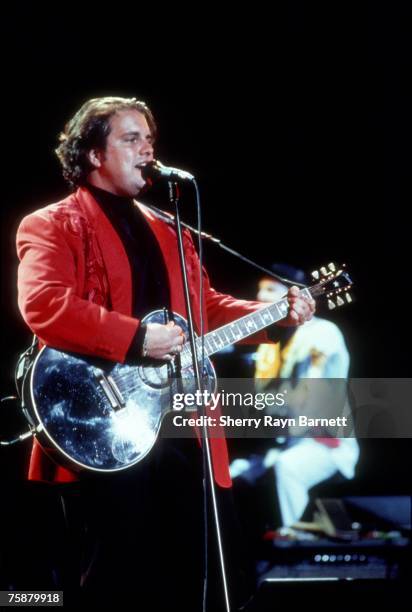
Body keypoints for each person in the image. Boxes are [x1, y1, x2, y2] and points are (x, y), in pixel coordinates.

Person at [15, 98, 315, 610]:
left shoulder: (167, 226)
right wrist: (135, 338)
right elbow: (44, 305)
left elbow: (206, 308)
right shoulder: (52, 223)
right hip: (104, 431)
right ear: (92, 154)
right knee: (120, 578)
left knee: (203, 575)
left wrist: (277, 313)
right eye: (131, 139)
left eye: (149, 139)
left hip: (183, 426)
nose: (147, 149)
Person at [230, 264, 359, 529]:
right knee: (231, 476)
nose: (260, 297)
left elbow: (308, 396)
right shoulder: (268, 341)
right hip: (286, 443)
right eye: (259, 290)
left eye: (269, 290)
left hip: (325, 444)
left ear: (290, 296)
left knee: (288, 469)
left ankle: (294, 551)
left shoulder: (322, 333)